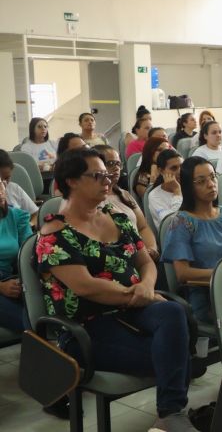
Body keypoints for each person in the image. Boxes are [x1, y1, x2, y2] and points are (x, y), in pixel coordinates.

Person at [36, 148, 196, 432]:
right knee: (174, 353)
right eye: (97, 175)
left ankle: (170, 414)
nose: (107, 181)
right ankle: (171, 415)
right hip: (86, 327)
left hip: (131, 309)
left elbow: (145, 261)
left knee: (174, 311)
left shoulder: (115, 216)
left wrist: (146, 286)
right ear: (71, 181)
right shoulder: (54, 235)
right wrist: (138, 293)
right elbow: (86, 287)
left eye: (107, 175)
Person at [162, 157, 222, 323]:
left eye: (213, 177)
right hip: (208, 296)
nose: (211, 184)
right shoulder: (182, 222)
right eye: (201, 181)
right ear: (188, 187)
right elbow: (182, 274)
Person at [95, 145, 159, 262]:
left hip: (141, 256)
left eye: (118, 164)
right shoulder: (91, 199)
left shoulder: (124, 194)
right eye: (110, 164)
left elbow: (143, 227)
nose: (116, 168)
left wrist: (151, 248)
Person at [0, 180, 31, 332]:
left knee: (46, 308)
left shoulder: (16, 216)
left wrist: (24, 279)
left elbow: (29, 253)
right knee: (29, 324)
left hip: (12, 278)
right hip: (2, 285)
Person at [148, 149, 183, 229]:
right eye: (174, 168)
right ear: (161, 171)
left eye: (182, 166)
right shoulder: (154, 196)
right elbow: (174, 223)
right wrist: (177, 191)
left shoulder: (191, 185)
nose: (180, 171)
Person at [0, 149, 38, 223]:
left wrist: (28, 227)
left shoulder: (14, 188)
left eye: (7, 178)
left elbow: (35, 215)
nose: (3, 183)